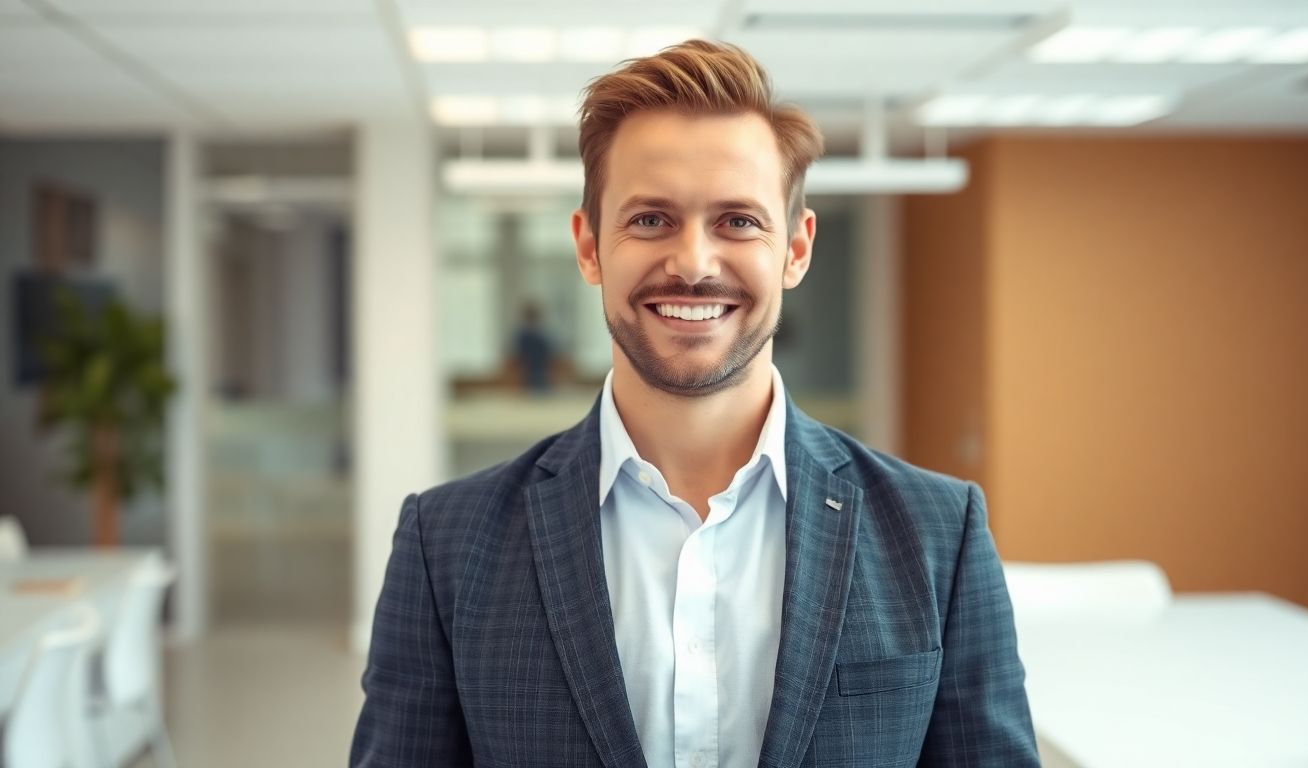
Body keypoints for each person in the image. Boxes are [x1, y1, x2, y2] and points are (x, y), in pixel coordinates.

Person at [351, 40, 1037, 767]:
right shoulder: (447, 545)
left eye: (738, 221)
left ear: (796, 250)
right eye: (650, 219)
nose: (694, 263)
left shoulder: (938, 534)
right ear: (589, 248)